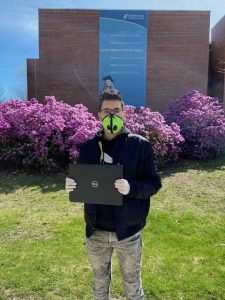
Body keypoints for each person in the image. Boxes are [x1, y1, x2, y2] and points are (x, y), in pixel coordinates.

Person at [65, 87, 162, 300]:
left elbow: (154, 183)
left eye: (116, 110)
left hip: (128, 231)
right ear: (99, 114)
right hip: (96, 230)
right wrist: (73, 185)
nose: (112, 115)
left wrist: (132, 188)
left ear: (124, 114)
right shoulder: (89, 147)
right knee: (99, 284)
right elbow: (84, 181)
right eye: (107, 110)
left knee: (132, 284)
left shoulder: (140, 145)